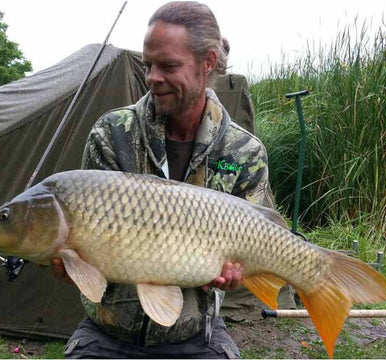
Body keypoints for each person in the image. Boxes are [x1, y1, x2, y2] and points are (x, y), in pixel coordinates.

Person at [52, 1, 276, 358]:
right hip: (108, 331)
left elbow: (250, 256)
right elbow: (88, 266)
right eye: (148, 64)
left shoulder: (243, 152)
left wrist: (238, 276)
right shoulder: (111, 134)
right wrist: (73, 266)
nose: (152, 77)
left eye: (168, 66)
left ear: (208, 63)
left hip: (195, 334)